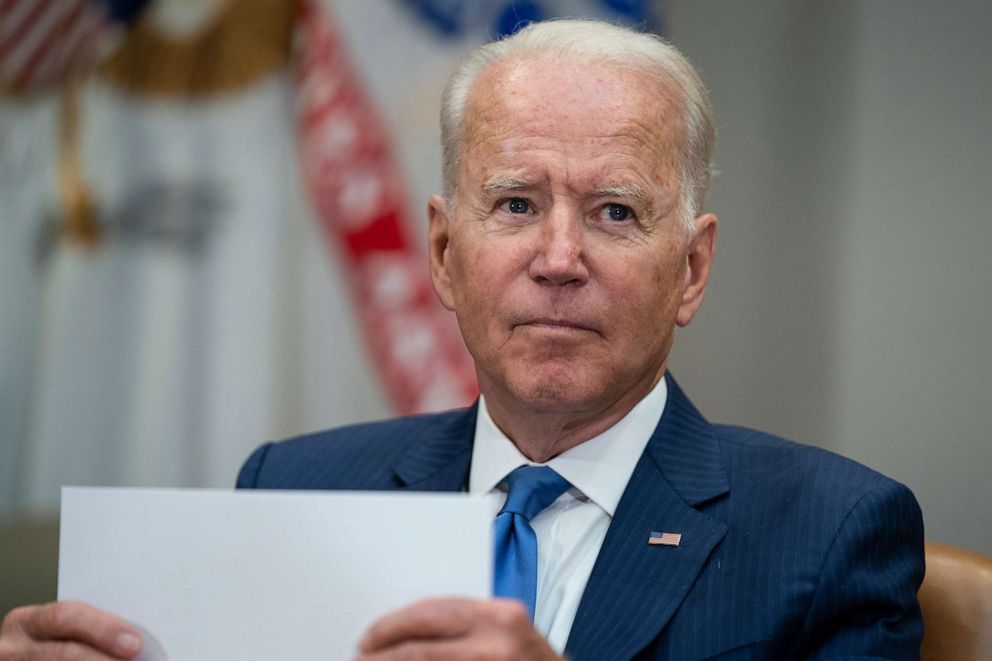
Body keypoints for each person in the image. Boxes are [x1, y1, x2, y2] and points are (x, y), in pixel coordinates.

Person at [0, 19, 924, 661]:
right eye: (516, 204)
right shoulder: (294, 488)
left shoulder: (831, 533)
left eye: (614, 211)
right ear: (443, 253)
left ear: (690, 268)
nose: (559, 258)